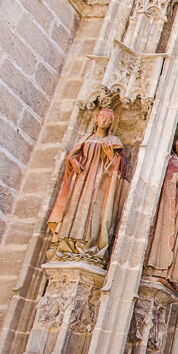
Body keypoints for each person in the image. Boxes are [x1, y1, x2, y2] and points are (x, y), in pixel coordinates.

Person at [48, 106, 128, 265]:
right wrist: (74, 162)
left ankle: (88, 245)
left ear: (111, 123)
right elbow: (73, 157)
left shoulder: (113, 141)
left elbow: (119, 166)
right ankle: (67, 244)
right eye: (101, 117)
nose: (103, 121)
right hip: (81, 180)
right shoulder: (86, 139)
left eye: (107, 119)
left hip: (99, 182)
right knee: (74, 209)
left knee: (94, 211)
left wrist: (111, 157)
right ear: (96, 119)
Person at [144, 133, 178, 290]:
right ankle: (159, 270)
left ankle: (171, 274)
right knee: (167, 233)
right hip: (172, 203)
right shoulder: (172, 162)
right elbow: (167, 179)